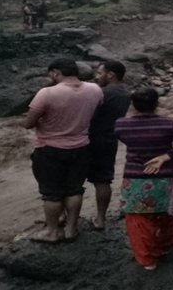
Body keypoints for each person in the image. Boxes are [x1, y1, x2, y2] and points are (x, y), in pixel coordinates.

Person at [22, 58, 103, 243]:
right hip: (81, 147)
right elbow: (94, 112)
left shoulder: (46, 93)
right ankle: (71, 229)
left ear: (56, 73)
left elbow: (28, 123)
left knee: (51, 192)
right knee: (74, 190)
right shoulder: (95, 90)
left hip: (49, 149)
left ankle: (52, 231)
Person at [115, 88, 173, 270]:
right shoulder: (170, 123)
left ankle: (148, 260)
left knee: (139, 220)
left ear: (133, 105)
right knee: (171, 215)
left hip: (135, 178)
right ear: (157, 103)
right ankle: (165, 246)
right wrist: (168, 155)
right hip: (167, 178)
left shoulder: (121, 125)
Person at [87, 61, 131, 230]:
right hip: (109, 140)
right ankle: (100, 219)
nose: (96, 76)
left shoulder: (101, 93)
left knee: (73, 181)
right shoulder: (125, 93)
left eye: (99, 73)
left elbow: (88, 114)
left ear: (110, 74)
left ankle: (65, 219)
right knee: (103, 180)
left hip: (89, 138)